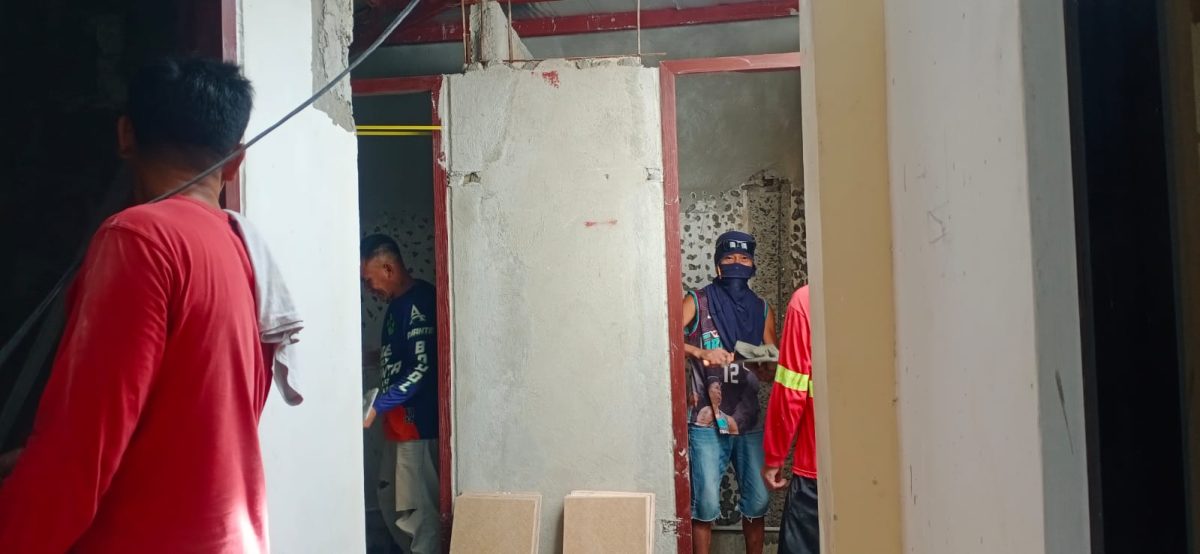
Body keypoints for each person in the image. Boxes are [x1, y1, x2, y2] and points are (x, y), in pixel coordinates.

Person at [0, 58, 268, 552]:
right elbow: (193, 423)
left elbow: (81, 450)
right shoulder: (241, 249)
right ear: (236, 159)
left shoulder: (140, 238)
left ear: (125, 134)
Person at [683, 230, 777, 554]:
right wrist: (699, 352)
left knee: (758, 501)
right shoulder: (698, 301)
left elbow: (771, 361)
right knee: (706, 504)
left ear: (753, 265)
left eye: (744, 258)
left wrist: (766, 368)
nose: (737, 264)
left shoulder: (761, 309)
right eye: (729, 258)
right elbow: (665, 337)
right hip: (706, 421)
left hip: (749, 421)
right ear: (717, 265)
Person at [360, 234, 441, 554]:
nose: (369, 289)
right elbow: (405, 355)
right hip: (397, 428)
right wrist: (373, 358)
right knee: (390, 503)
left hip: (417, 429)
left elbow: (421, 369)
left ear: (388, 269)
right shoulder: (397, 305)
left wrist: (377, 405)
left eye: (369, 280)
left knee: (418, 517)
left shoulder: (419, 302)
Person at [762, 285, 818, 554]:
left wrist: (774, 457)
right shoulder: (900, 289)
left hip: (817, 470)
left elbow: (790, 391)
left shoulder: (807, 300)